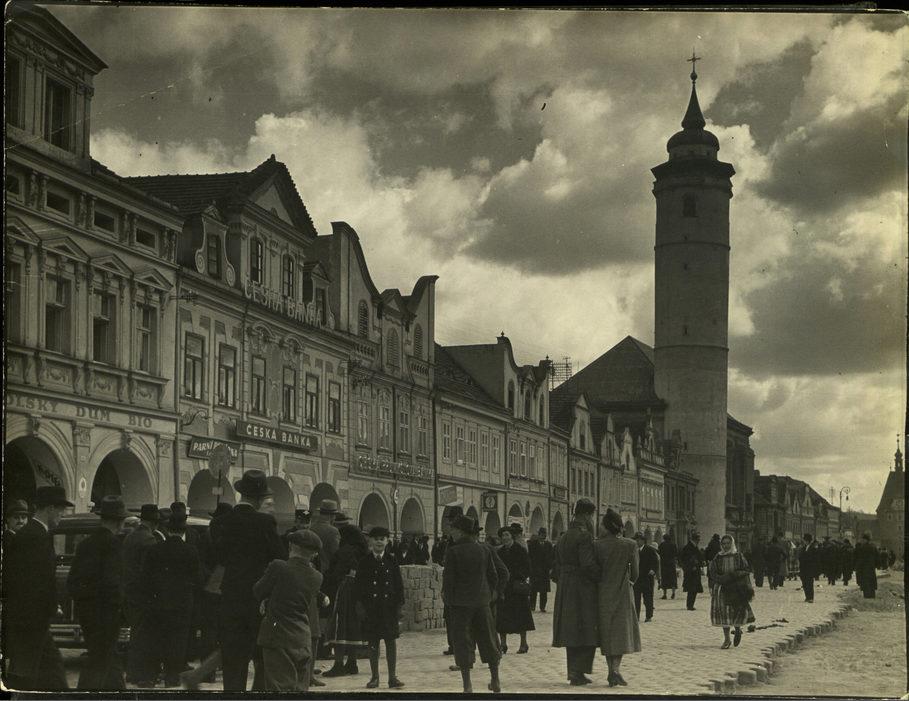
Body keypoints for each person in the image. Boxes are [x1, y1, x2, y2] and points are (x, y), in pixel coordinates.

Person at [215, 469, 286, 691]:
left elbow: (217, 558)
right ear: (259, 498)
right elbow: (279, 558)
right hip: (258, 599)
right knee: (263, 655)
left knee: (233, 658)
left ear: (242, 494)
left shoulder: (221, 522)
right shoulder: (265, 522)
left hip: (230, 598)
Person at [2, 486, 72, 691]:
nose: (62, 515)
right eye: (60, 510)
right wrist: (52, 606)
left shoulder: (32, 534)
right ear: (50, 508)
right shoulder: (35, 537)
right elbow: (35, 581)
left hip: (30, 620)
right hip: (31, 621)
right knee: (33, 676)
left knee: (40, 674)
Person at [67, 495, 128, 690]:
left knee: (109, 659)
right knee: (99, 660)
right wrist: (119, 610)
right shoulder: (113, 544)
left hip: (87, 614)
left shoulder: (85, 544)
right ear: (119, 522)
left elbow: (72, 581)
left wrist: (84, 604)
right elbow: (113, 583)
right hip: (107, 614)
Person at [252, 529, 323, 692]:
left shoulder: (279, 566)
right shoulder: (317, 576)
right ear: (313, 553)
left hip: (277, 636)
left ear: (292, 546)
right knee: (300, 688)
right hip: (303, 637)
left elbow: (258, 590)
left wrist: (267, 599)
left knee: (279, 687)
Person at [140, 504, 202, 687]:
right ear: (184, 530)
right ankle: (172, 676)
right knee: (178, 640)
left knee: (157, 638)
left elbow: (146, 577)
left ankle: (151, 675)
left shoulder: (155, 549)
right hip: (182, 603)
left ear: (167, 529)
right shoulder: (190, 551)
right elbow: (198, 578)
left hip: (158, 601)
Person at [442, 515, 502, 694]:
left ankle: (467, 685)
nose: (451, 533)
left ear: (461, 531)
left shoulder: (453, 552)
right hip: (482, 603)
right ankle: (495, 680)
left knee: (463, 642)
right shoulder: (484, 550)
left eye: (453, 529)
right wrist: (488, 597)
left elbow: (449, 581)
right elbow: (494, 576)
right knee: (489, 640)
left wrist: (449, 601)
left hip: (460, 605)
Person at [551, 498, 599, 686]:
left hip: (566, 587)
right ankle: (579, 671)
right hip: (582, 587)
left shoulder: (563, 537)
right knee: (587, 628)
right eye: (591, 516)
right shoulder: (584, 536)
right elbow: (587, 564)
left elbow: (557, 565)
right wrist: (600, 575)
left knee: (571, 630)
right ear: (586, 515)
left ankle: (573, 671)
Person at [355, 526, 405, 689]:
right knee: (373, 642)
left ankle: (392, 677)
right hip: (371, 609)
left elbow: (398, 585)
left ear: (387, 541)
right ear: (370, 541)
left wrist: (399, 607)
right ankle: (374, 677)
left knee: (391, 642)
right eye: (375, 539)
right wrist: (360, 606)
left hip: (388, 608)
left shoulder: (392, 560)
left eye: (382, 539)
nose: (379, 542)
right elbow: (358, 586)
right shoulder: (364, 562)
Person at [594, 509, 640, 688]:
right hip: (623, 592)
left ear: (606, 527)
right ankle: (615, 669)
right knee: (621, 631)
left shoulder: (597, 545)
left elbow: (594, 570)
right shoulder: (630, 544)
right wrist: (630, 582)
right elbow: (635, 572)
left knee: (607, 632)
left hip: (603, 592)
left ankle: (611, 670)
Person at [322, 517, 369, 677]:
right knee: (353, 627)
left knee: (339, 626)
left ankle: (338, 664)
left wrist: (327, 579)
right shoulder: (363, 552)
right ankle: (352, 663)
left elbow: (336, 573)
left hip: (344, 592)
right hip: (359, 593)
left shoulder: (345, 551)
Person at [122, 503, 161, 686]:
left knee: (135, 633)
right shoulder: (149, 540)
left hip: (129, 592)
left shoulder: (130, 537)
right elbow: (150, 572)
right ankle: (142, 673)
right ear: (154, 523)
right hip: (144, 595)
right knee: (145, 635)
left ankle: (131, 672)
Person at [707, 535, 755, 649]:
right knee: (724, 613)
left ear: (732, 543)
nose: (726, 546)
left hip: (736, 588)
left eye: (728, 543)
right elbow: (712, 572)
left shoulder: (738, 556)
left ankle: (737, 629)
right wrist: (720, 579)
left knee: (736, 611)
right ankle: (727, 639)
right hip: (722, 588)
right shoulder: (718, 557)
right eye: (723, 544)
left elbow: (746, 570)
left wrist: (734, 576)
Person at [495, 526, 534, 654]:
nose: (504, 538)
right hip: (504, 588)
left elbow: (527, 568)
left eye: (507, 535)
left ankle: (523, 643)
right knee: (502, 617)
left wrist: (518, 576)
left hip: (517, 588)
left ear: (512, 536)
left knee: (521, 616)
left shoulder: (520, 550)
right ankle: (503, 644)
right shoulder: (499, 552)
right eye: (503, 535)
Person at [633, 533, 659, 622]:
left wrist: (653, 570)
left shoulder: (650, 550)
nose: (636, 542)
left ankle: (648, 616)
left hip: (647, 578)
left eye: (638, 540)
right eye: (635, 540)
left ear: (643, 541)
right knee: (636, 598)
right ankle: (636, 616)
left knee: (648, 598)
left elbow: (655, 561)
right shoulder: (633, 550)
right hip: (636, 578)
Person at [528, 528, 554, 613]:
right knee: (533, 590)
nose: (543, 536)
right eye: (542, 534)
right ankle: (532, 606)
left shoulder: (548, 545)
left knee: (544, 591)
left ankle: (542, 607)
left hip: (544, 571)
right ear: (538, 535)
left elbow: (551, 557)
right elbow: (530, 557)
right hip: (535, 570)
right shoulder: (532, 544)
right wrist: (531, 568)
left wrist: (550, 568)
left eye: (545, 534)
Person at [680, 531, 704, 611]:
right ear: (695, 539)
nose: (699, 541)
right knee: (692, 589)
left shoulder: (694, 546)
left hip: (695, 571)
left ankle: (690, 604)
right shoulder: (688, 547)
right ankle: (689, 605)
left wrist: (700, 562)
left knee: (694, 589)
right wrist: (691, 566)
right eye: (698, 539)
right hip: (691, 572)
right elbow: (684, 559)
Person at [853, 533, 878, 598]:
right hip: (871, 567)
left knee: (865, 581)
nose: (862, 541)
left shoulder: (863, 548)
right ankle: (872, 595)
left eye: (863, 539)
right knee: (871, 581)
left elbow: (860, 558)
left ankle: (867, 595)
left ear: (866, 540)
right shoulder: (873, 547)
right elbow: (877, 557)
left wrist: (857, 566)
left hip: (864, 568)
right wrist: (876, 565)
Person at [798, 533, 819, 603]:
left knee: (809, 583)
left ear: (807, 540)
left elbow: (815, 559)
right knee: (804, 583)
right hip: (803, 568)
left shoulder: (813, 548)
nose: (804, 541)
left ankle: (810, 597)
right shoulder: (804, 547)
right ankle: (807, 597)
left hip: (810, 568)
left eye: (805, 540)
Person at [657, 533, 678, 599]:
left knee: (664, 579)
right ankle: (673, 593)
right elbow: (676, 553)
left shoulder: (662, 545)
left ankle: (665, 594)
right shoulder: (673, 545)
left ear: (664, 538)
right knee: (673, 579)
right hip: (671, 564)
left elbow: (659, 552)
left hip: (664, 564)